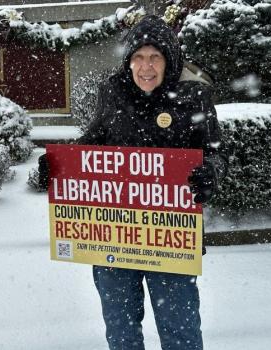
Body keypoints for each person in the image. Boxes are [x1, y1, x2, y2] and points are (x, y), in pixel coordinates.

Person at [39, 15, 228, 350]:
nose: (146, 67)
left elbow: (216, 154)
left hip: (170, 239)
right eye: (138, 57)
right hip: (115, 238)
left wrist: (210, 173)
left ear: (168, 60)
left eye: (155, 57)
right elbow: (93, 144)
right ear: (128, 62)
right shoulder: (112, 93)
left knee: (180, 333)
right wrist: (58, 165)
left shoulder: (194, 98)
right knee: (122, 334)